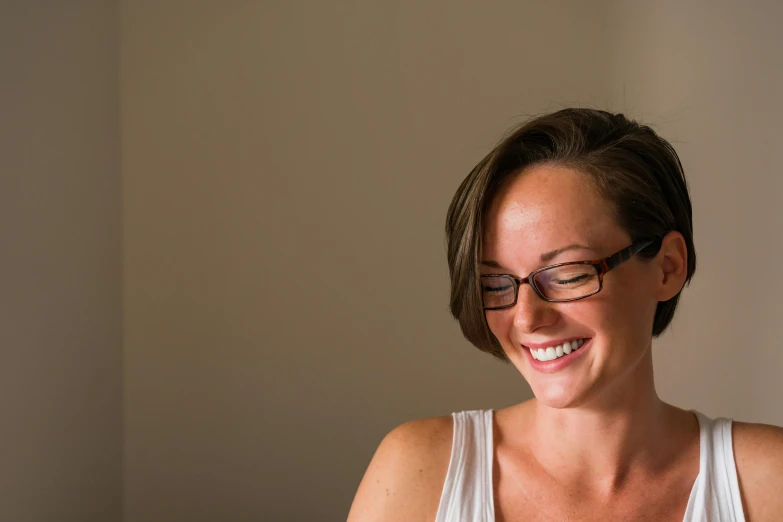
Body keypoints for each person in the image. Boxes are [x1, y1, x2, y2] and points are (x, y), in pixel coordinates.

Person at [346, 108, 783, 522]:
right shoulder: (418, 474)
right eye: (496, 284)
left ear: (667, 266)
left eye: (568, 274)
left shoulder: (768, 484)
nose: (526, 319)